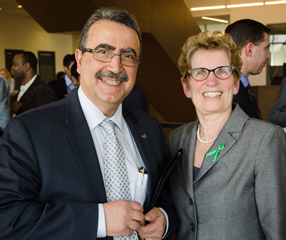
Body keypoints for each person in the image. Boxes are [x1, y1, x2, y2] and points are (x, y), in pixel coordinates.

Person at [0, 7, 178, 240]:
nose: (116, 67)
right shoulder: (29, 131)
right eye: (103, 51)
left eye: (128, 55)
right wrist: (99, 219)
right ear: (80, 59)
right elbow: (7, 218)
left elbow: (167, 193)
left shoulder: (150, 128)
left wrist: (164, 218)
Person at [169, 30, 286, 239]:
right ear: (186, 86)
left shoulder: (265, 139)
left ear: (235, 83)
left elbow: (278, 231)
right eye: (200, 72)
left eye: (222, 71)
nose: (211, 81)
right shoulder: (177, 139)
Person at [225, 19, 270, 119]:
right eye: (266, 48)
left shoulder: (242, 88)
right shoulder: (230, 93)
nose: (268, 56)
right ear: (249, 50)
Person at [10, 51, 58, 115]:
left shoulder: (42, 89)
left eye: (15, 64)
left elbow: (49, 115)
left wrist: (21, 109)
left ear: (26, 66)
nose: (12, 67)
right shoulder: (24, 87)